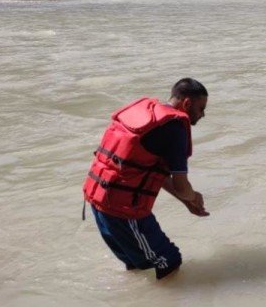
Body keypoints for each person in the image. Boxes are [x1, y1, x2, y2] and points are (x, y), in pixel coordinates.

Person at [83, 78, 210, 280]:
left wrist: (186, 201)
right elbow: (181, 184)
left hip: (99, 200)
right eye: (201, 108)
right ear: (186, 104)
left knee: (138, 264)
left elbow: (149, 172)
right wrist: (192, 195)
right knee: (169, 260)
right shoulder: (175, 128)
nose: (203, 115)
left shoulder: (149, 116)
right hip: (124, 211)